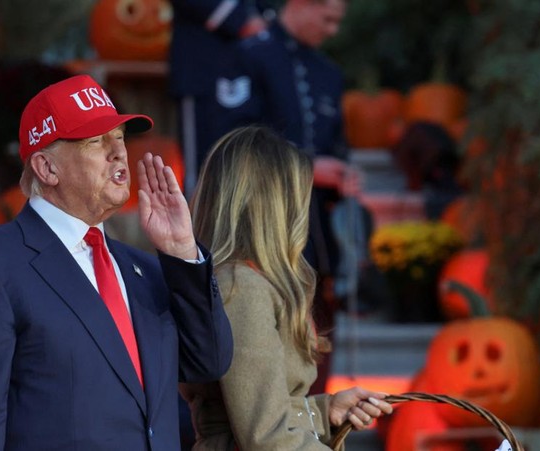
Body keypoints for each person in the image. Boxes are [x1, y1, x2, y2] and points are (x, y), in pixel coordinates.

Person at [0, 74, 234, 450]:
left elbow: (208, 361)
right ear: (47, 168)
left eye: (120, 138)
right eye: (96, 142)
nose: (119, 152)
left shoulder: (144, 269)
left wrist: (183, 251)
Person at [180, 125, 393, 450]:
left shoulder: (245, 281)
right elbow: (267, 438)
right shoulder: (242, 288)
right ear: (277, 206)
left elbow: (258, 413)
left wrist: (323, 411)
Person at [211, 0, 364, 393]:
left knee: (320, 322)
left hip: (320, 228)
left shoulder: (329, 73)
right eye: (328, 18)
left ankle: (318, 422)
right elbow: (234, 144)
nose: (333, 30)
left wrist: (345, 172)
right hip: (263, 224)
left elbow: (338, 144)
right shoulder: (247, 57)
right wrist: (309, 167)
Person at [168, 0, 273, 191]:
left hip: (250, 72)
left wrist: (265, 19)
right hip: (204, 71)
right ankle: (195, 218)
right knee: (204, 165)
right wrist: (238, 19)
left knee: (244, 158)